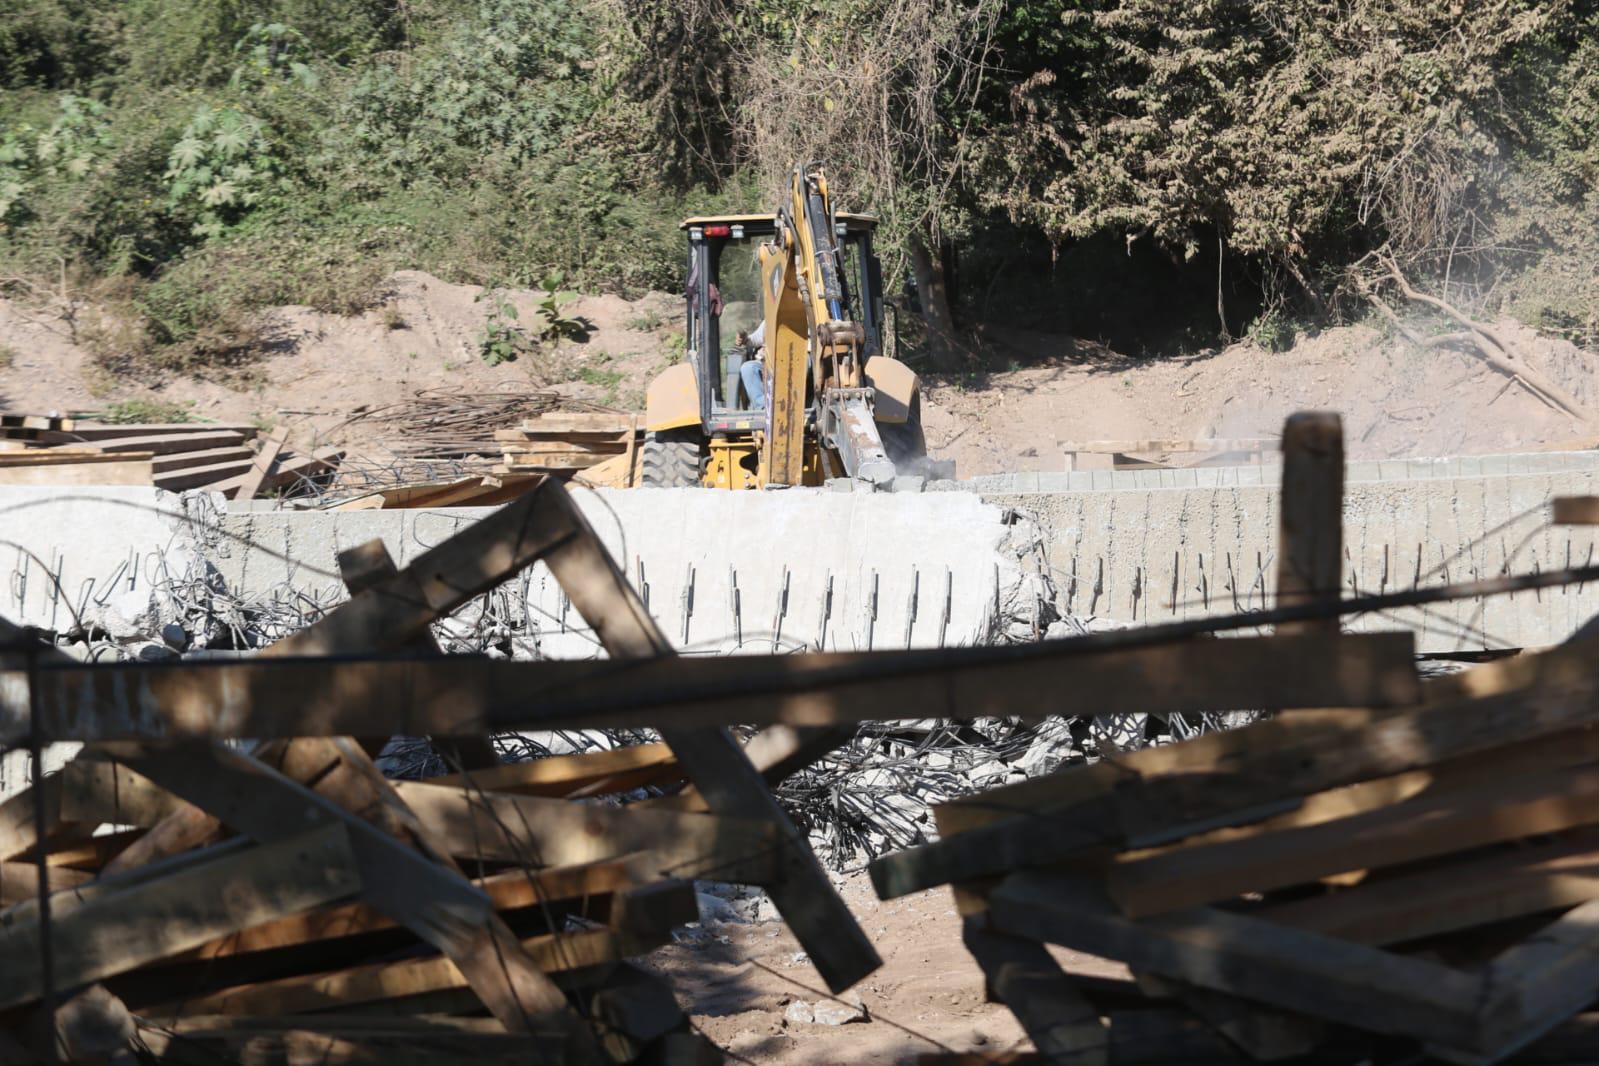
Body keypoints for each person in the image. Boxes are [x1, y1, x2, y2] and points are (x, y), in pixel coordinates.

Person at [736, 320, 766, 409]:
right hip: (768, 361)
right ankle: (762, 406)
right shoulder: (769, 321)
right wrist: (745, 339)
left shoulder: (803, 317)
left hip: (795, 360)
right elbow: (756, 339)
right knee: (748, 368)